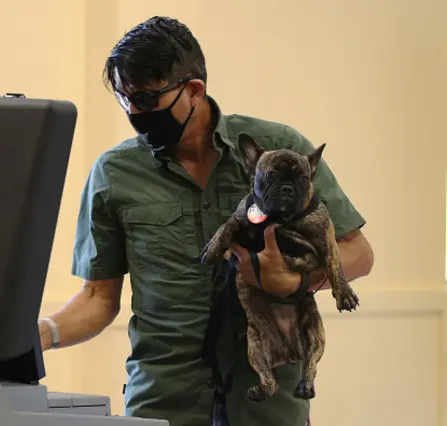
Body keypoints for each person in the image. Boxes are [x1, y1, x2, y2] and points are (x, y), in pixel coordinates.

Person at [38, 16, 374, 426]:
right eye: (125, 100)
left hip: (269, 405)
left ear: (194, 90)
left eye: (145, 101)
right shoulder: (114, 174)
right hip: (164, 404)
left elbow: (357, 253)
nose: (133, 113)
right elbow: (97, 299)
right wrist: (42, 335)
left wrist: (295, 282)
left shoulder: (279, 151)